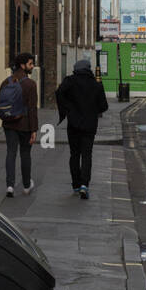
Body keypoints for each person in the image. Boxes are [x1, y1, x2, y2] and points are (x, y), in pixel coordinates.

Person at [56, 57, 109, 199]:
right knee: (87, 154)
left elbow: (59, 93)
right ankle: (85, 185)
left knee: (74, 154)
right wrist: (93, 110)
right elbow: (104, 106)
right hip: (90, 126)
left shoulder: (70, 81)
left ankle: (76, 184)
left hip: (73, 124)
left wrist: (67, 109)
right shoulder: (96, 84)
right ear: (89, 68)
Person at [0, 53, 38, 197]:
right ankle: (26, 185)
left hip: (9, 125)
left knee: (11, 153)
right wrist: (34, 130)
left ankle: (10, 186)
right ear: (23, 65)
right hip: (25, 125)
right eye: (31, 64)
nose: (33, 67)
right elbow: (32, 109)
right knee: (25, 154)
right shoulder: (31, 84)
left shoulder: (6, 82)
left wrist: (7, 117)